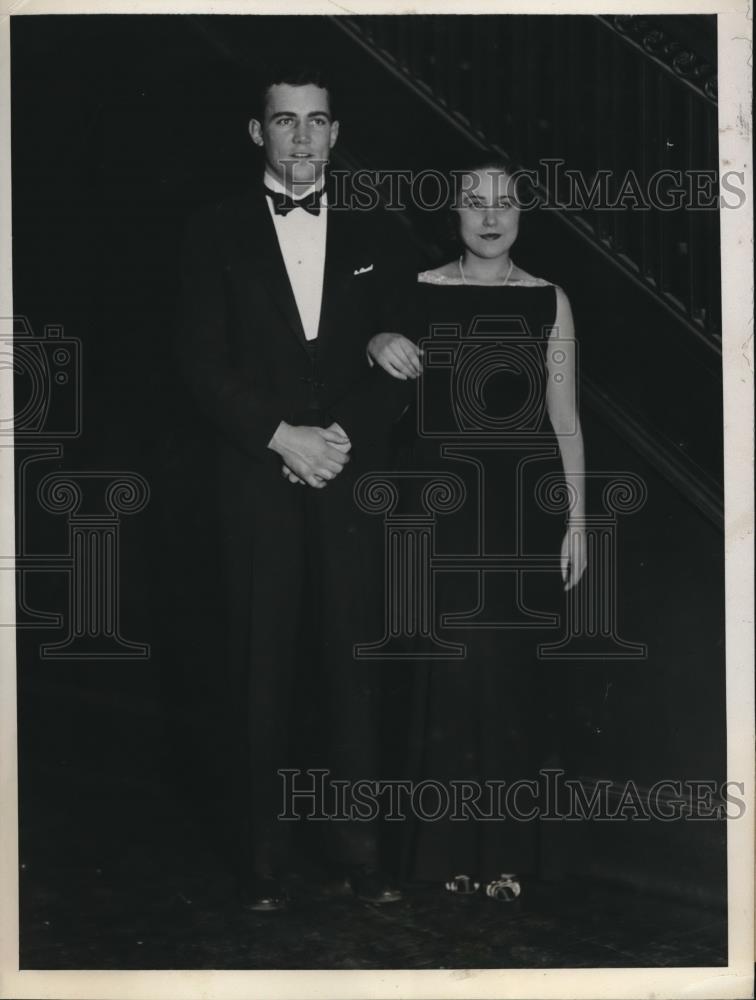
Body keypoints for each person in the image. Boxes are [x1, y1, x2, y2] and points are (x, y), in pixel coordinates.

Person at [176, 65, 409, 912]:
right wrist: (281, 437)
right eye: (285, 123)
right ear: (257, 133)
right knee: (257, 669)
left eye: (316, 122)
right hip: (254, 478)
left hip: (346, 478)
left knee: (351, 663)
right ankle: (260, 864)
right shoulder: (212, 230)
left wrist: (336, 440)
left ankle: (361, 854)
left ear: (336, 133)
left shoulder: (381, 229)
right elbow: (198, 364)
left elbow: (400, 355)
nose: (302, 139)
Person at [367, 159, 587, 900]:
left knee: (506, 681)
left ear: (523, 213)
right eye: (474, 203)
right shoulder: (419, 291)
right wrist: (375, 346)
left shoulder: (549, 300)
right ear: (453, 213)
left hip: (520, 513)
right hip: (435, 510)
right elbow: (368, 370)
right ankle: (444, 860)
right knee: (446, 675)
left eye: (504, 204)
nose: (490, 217)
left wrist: (577, 522)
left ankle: (505, 860)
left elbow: (565, 420)